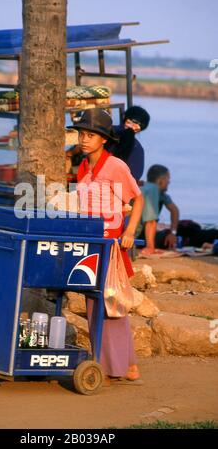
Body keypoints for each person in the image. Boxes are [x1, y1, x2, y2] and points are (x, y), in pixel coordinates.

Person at [69, 108, 144, 385]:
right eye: (81, 133)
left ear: (103, 140)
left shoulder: (116, 166)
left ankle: (118, 366)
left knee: (112, 303)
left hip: (111, 244)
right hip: (90, 242)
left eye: (91, 135)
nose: (84, 139)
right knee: (93, 302)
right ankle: (123, 363)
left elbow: (138, 200)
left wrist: (129, 231)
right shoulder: (83, 167)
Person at [138, 164, 218, 254]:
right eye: (168, 179)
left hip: (142, 233)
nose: (169, 182)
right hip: (140, 235)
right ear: (160, 180)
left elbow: (174, 210)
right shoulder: (152, 189)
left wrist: (173, 232)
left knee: (185, 229)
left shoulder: (159, 193)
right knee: (189, 233)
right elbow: (151, 221)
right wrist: (150, 247)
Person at [105, 105, 150, 181]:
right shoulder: (137, 148)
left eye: (136, 123)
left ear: (124, 117)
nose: (133, 125)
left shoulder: (105, 130)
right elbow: (134, 177)